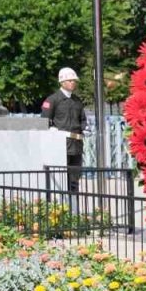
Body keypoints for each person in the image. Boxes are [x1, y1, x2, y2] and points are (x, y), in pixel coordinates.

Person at [41, 67, 86, 199]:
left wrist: (85, 128)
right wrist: (52, 130)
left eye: (74, 81)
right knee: (61, 178)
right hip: (60, 145)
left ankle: (74, 207)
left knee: (75, 178)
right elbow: (44, 120)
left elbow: (82, 119)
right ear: (62, 82)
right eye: (70, 80)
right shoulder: (53, 100)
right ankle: (62, 206)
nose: (73, 83)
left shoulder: (77, 101)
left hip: (76, 144)